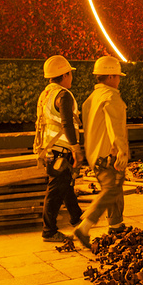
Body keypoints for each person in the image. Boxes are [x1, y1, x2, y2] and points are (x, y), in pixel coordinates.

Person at [73, 56, 129, 249]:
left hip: (95, 153)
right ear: (111, 76)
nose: (119, 79)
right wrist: (121, 151)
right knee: (111, 188)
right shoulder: (111, 97)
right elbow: (114, 127)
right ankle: (84, 226)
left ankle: (116, 225)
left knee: (116, 185)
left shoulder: (91, 98)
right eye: (118, 76)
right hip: (108, 153)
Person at [33, 55, 84, 242]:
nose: (72, 77)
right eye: (70, 74)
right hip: (60, 150)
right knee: (56, 189)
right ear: (65, 74)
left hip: (48, 149)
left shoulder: (45, 94)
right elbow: (67, 123)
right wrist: (75, 148)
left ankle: (76, 216)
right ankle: (49, 231)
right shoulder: (63, 95)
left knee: (66, 184)